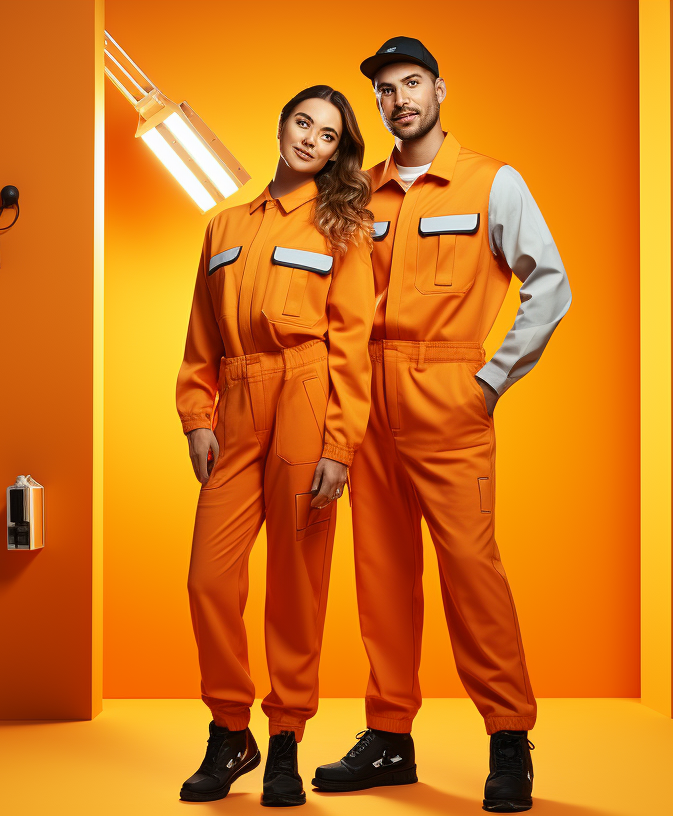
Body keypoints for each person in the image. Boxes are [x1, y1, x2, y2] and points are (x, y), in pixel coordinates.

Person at [311, 37, 573, 814]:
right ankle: (390, 734)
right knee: (382, 580)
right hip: (370, 410)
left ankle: (508, 741)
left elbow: (550, 284)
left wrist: (491, 379)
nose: (400, 100)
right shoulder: (364, 192)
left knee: (472, 576)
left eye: (412, 83)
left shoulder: (493, 182)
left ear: (440, 89)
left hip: (450, 406)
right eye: (386, 90)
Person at [173, 84, 375, 808]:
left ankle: (285, 738)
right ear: (282, 124)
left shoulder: (341, 229)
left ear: (335, 153)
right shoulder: (222, 226)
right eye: (303, 123)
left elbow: (352, 346)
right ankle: (231, 731)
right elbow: (200, 335)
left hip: (306, 396)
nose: (310, 140)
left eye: (327, 136)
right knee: (208, 580)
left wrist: (340, 444)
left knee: (297, 586)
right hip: (237, 400)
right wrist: (198, 416)